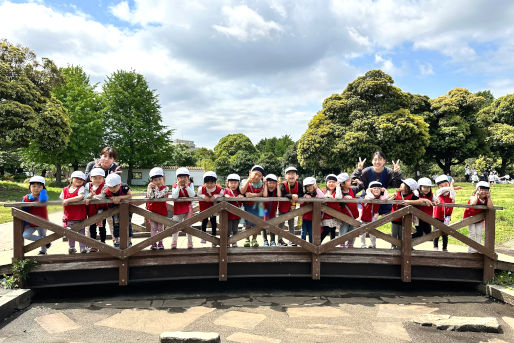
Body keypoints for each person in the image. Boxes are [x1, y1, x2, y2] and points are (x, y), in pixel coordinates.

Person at [389, 178, 431, 249]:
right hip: (395, 217)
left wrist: (425, 199)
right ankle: (393, 246)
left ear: (407, 188)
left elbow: (419, 200)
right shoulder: (397, 193)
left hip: (405, 219)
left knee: (402, 234)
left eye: (403, 185)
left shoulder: (411, 195)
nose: (401, 185)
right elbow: (387, 201)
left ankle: (401, 247)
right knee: (394, 233)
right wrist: (392, 197)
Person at [99, 173, 133, 248]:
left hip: (127, 209)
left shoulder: (124, 187)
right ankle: (117, 241)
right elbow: (102, 197)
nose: (113, 189)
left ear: (120, 184)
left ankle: (129, 240)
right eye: (110, 187)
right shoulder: (106, 190)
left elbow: (130, 195)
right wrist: (111, 198)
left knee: (128, 224)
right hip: (115, 210)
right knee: (116, 225)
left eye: (115, 186)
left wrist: (120, 197)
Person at [22, 176, 51, 255]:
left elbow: (42, 200)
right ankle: (44, 240)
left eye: (39, 186)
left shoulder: (43, 196)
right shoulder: (25, 198)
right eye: (33, 186)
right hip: (30, 223)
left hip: (42, 222)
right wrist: (26, 224)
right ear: (29, 187)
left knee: (42, 234)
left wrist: (43, 191)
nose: (36, 188)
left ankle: (43, 252)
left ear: (43, 188)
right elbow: (23, 212)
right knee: (26, 235)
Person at [61, 171, 88, 254]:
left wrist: (68, 200)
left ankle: (82, 248)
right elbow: (62, 199)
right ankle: (72, 247)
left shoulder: (82, 188)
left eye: (81, 179)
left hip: (79, 214)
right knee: (71, 233)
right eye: (77, 178)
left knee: (81, 232)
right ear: (71, 179)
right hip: (69, 215)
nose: (79, 180)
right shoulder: (65, 189)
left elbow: (80, 197)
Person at [464, 181, 494, 253]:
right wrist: (477, 195)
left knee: (479, 233)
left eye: (486, 190)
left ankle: (478, 248)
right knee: (472, 233)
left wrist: (489, 197)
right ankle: (471, 249)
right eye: (482, 189)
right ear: (477, 189)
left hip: (479, 219)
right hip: (470, 217)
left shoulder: (486, 199)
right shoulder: (473, 196)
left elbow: (490, 207)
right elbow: (473, 203)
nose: (484, 191)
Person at [241, 165, 265, 247]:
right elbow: (242, 191)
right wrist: (248, 181)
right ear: (250, 173)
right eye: (255, 174)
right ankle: (247, 239)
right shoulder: (244, 181)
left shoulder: (261, 183)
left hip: (257, 206)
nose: (257, 177)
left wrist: (252, 195)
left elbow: (262, 193)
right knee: (247, 223)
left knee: (256, 223)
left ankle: (254, 239)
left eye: (259, 175)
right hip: (247, 206)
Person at [278, 166, 304, 246]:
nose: (291, 175)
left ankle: (292, 240)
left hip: (292, 207)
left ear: (297, 176)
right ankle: (280, 240)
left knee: (291, 223)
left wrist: (297, 196)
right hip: (282, 207)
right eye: (289, 174)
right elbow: (282, 194)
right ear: (285, 176)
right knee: (281, 224)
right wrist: (292, 196)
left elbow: (301, 194)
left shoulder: (298, 184)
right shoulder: (283, 184)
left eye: (293, 173)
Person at [359, 181, 389, 249]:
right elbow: (371, 197)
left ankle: (373, 244)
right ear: (370, 190)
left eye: (378, 188)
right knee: (362, 232)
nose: (376, 189)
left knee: (372, 232)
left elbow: (385, 198)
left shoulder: (379, 198)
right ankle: (362, 244)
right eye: (374, 188)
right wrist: (368, 190)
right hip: (364, 217)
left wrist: (384, 190)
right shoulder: (367, 196)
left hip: (373, 217)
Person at [171, 167, 195, 249]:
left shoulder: (190, 185)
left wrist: (187, 187)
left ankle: (190, 241)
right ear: (177, 178)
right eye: (180, 177)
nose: (183, 179)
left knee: (188, 225)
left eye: (185, 177)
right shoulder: (174, 186)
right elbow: (174, 196)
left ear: (188, 177)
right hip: (178, 208)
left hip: (188, 209)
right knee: (175, 225)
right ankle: (174, 241)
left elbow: (192, 195)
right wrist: (178, 187)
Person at [84, 168, 107, 252]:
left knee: (102, 228)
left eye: (100, 178)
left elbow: (102, 196)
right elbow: (85, 195)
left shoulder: (105, 186)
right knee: (92, 228)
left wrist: (91, 197)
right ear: (91, 178)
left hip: (101, 211)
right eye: (95, 178)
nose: (97, 180)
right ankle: (94, 245)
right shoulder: (88, 185)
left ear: (103, 179)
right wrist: (88, 196)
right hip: (91, 211)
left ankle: (103, 243)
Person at [197, 171, 223, 247]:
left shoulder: (219, 188)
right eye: (207, 183)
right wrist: (203, 196)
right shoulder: (201, 188)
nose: (209, 185)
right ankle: (203, 236)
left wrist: (215, 196)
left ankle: (214, 237)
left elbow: (222, 193)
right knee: (204, 221)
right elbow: (198, 194)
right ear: (204, 182)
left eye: (212, 183)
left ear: (215, 182)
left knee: (213, 222)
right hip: (204, 206)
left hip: (213, 207)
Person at [337, 173, 362, 248]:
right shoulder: (339, 192)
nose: (350, 182)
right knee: (343, 230)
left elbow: (361, 187)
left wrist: (359, 183)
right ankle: (341, 243)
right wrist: (344, 197)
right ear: (342, 184)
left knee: (352, 230)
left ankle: (350, 243)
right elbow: (338, 197)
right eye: (348, 181)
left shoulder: (353, 189)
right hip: (344, 215)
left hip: (353, 215)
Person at [146, 167, 169, 250]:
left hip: (161, 211)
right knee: (153, 228)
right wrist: (149, 188)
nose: (158, 182)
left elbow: (159, 196)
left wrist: (154, 188)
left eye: (160, 179)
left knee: (160, 228)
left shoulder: (166, 188)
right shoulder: (150, 188)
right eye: (155, 180)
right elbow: (150, 197)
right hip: (152, 211)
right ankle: (153, 243)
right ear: (152, 181)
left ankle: (160, 242)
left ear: (163, 179)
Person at [433, 174, 456, 252]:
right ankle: (435, 246)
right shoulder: (438, 193)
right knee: (436, 232)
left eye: (446, 184)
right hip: (437, 215)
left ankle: (444, 248)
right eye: (441, 186)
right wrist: (451, 186)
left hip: (447, 216)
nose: (444, 187)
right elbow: (441, 190)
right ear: (438, 187)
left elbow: (452, 193)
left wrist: (452, 187)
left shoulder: (451, 194)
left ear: (449, 183)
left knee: (445, 233)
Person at [300, 177, 324, 243]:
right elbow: (299, 201)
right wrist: (305, 196)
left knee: (311, 233)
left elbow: (322, 196)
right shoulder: (304, 194)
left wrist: (316, 188)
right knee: (303, 232)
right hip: (304, 217)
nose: (309, 187)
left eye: (310, 185)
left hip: (313, 218)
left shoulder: (317, 194)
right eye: (307, 186)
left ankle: (311, 246)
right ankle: (302, 245)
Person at [224, 174, 244, 247]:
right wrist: (226, 196)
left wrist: (241, 197)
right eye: (231, 183)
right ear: (228, 183)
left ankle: (234, 242)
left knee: (235, 229)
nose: (233, 184)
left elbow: (242, 200)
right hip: (228, 214)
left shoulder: (240, 191)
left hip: (236, 214)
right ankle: (227, 242)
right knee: (228, 229)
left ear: (238, 183)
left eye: (235, 183)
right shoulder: (226, 190)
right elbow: (223, 195)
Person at [321, 174, 342, 243]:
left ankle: (331, 245)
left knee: (333, 230)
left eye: (333, 182)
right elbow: (320, 199)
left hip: (335, 214)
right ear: (326, 183)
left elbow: (338, 197)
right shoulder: (324, 191)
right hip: (326, 214)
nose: (331, 183)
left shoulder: (337, 191)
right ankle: (318, 243)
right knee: (326, 229)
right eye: (329, 182)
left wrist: (338, 187)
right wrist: (326, 196)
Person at [262, 174, 282, 246]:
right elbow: (264, 195)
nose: (271, 185)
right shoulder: (264, 189)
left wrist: (278, 186)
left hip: (273, 210)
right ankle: (265, 240)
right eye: (270, 183)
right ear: (267, 183)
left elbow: (279, 195)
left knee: (273, 225)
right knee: (263, 224)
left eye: (273, 183)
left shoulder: (276, 190)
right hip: (265, 210)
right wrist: (265, 185)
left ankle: (272, 240)